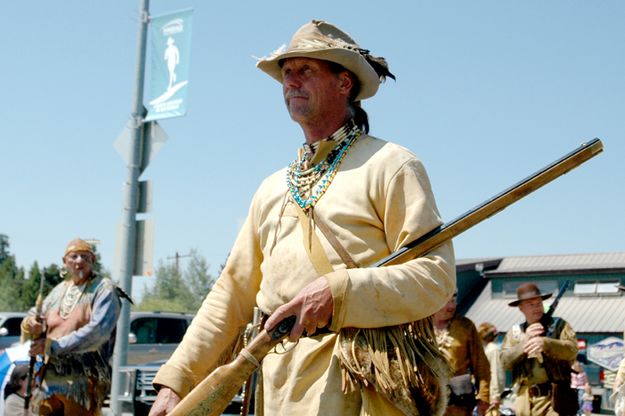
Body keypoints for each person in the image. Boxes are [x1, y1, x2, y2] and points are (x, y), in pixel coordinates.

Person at [148, 19, 455, 416]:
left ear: (344, 83)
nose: (291, 82)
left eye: (306, 70)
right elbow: (232, 293)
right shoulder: (271, 188)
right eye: (286, 73)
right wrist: (177, 382)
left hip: (361, 388)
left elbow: (434, 277)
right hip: (277, 388)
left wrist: (338, 292)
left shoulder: (391, 165)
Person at [20, 238, 123, 415]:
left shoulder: (104, 289)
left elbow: (98, 331)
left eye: (85, 256)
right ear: (64, 262)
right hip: (50, 376)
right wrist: (31, 323)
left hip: (84, 377)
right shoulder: (60, 289)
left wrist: (53, 346)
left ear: (94, 260)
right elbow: (37, 314)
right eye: (74, 256)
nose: (79, 261)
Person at [501, 282, 578, 416]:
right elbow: (504, 362)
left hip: (554, 399)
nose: (536, 308)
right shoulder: (515, 333)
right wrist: (525, 342)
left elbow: (572, 351)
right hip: (524, 399)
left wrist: (547, 343)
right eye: (531, 305)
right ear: (520, 308)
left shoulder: (560, 325)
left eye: (538, 303)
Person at [432, 293, 490, 416]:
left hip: (459, 402)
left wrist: (483, 397)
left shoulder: (465, 326)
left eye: (454, 300)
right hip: (429, 401)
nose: (452, 306)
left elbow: (481, 366)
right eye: (447, 301)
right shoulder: (419, 328)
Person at [478, 322, 505, 416]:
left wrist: (495, 396)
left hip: (490, 396)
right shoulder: (488, 350)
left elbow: (496, 373)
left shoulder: (493, 350)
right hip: (485, 395)